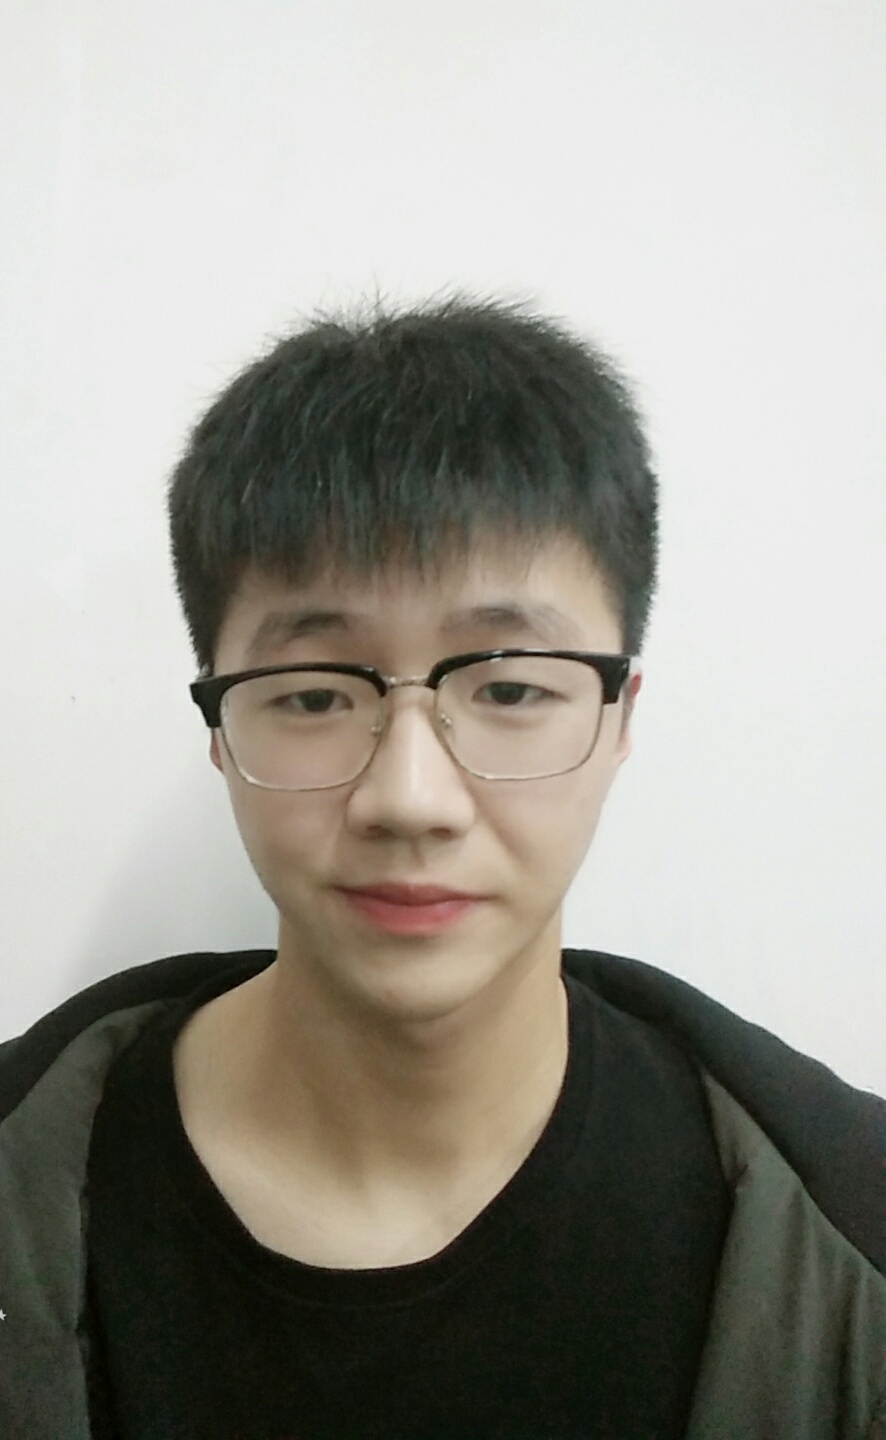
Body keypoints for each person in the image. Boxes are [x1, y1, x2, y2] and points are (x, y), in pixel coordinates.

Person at [1, 295, 883, 1440]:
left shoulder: (849, 1231)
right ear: (218, 728)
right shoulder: (31, 1171)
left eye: (509, 688)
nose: (408, 799)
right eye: (313, 697)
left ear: (619, 716)